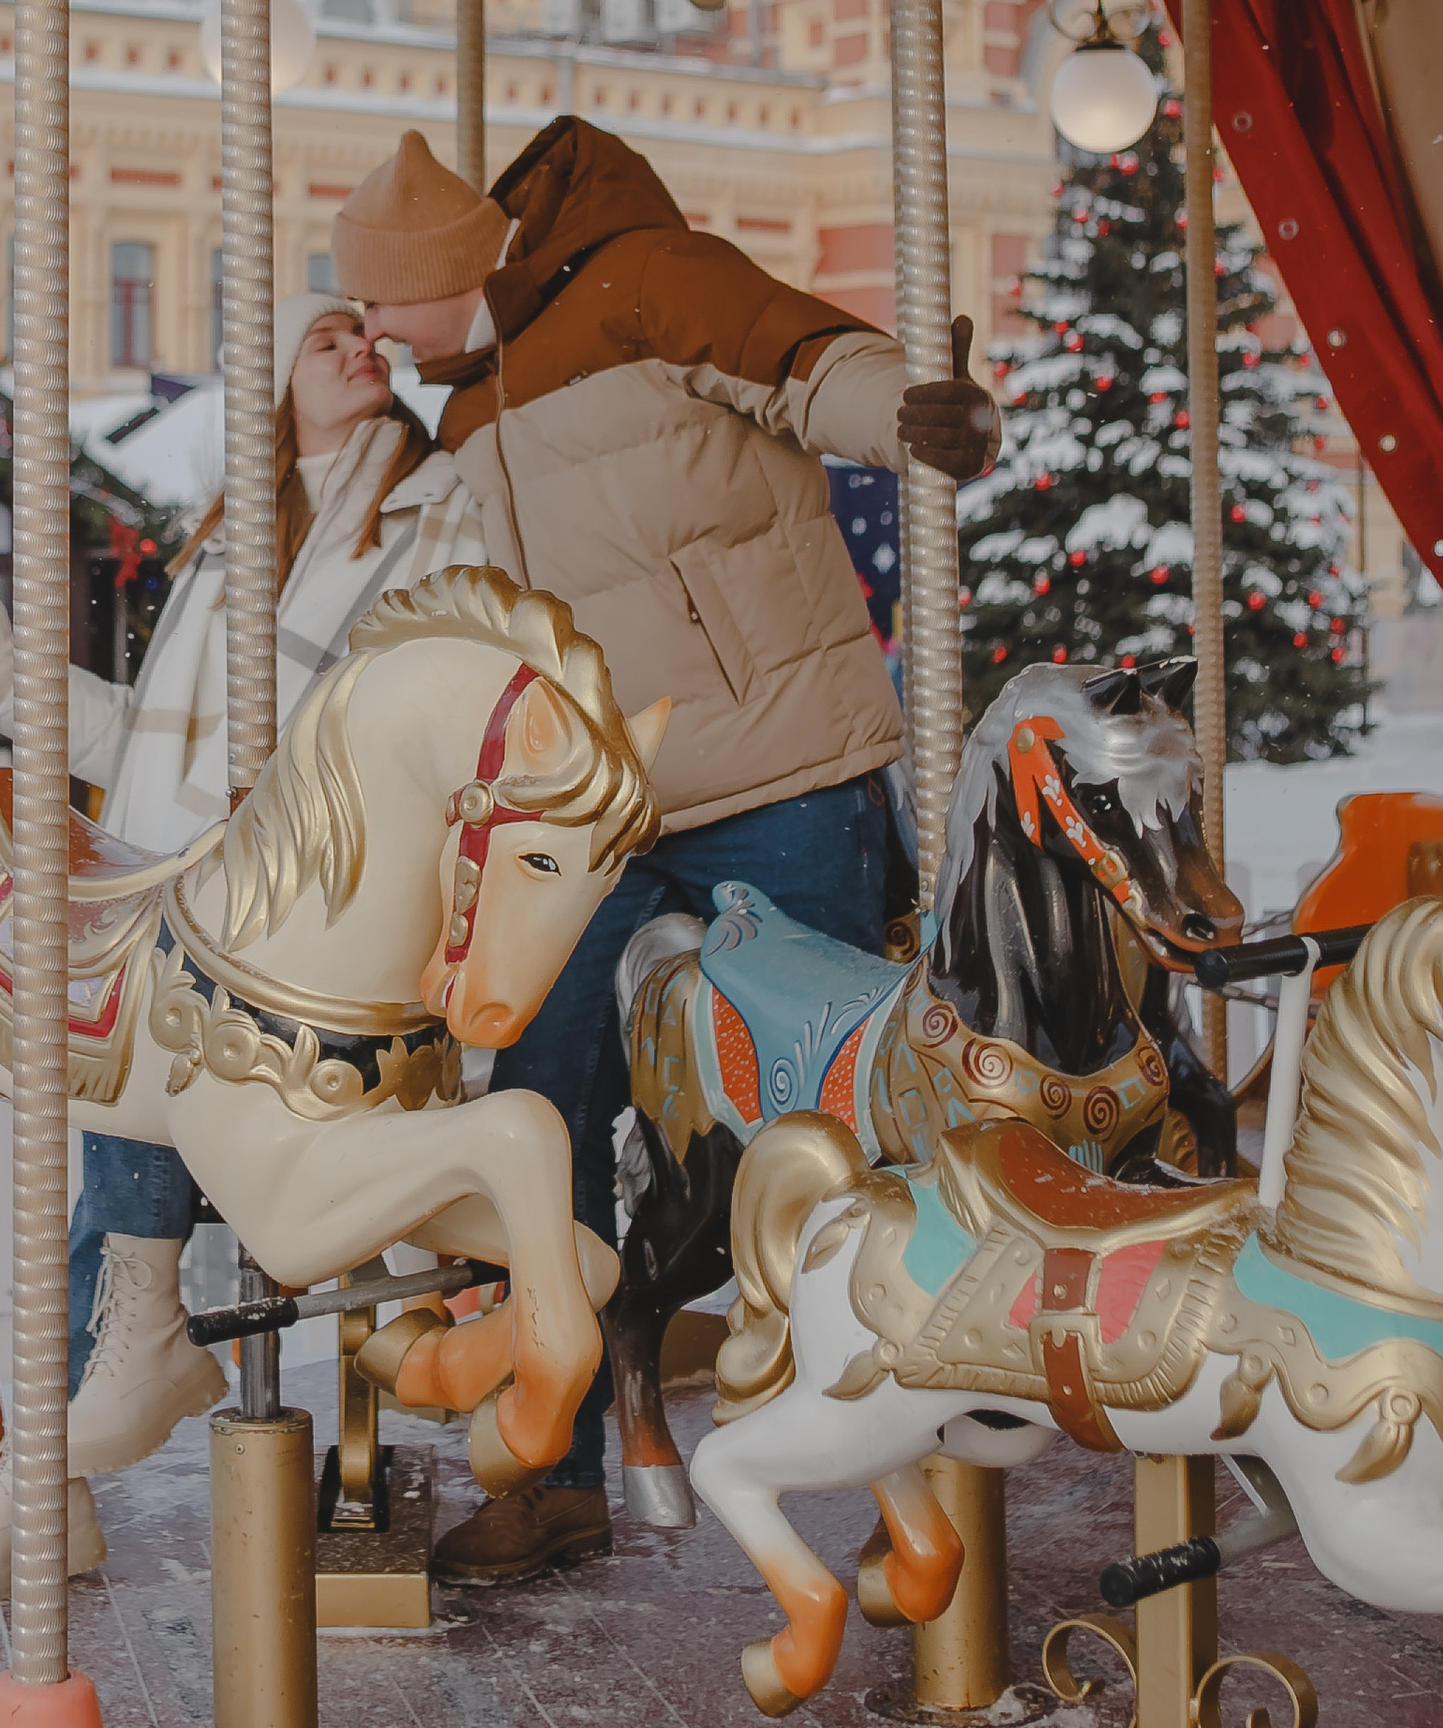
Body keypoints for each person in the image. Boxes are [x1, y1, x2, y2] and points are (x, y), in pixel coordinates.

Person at [335, 119, 1000, 1582]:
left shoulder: (643, 279)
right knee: (541, 1119)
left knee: (832, 1120)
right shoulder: (463, 409)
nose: (365, 328)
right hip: (610, 812)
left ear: (443, 273)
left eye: (378, 300)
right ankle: (552, 1465)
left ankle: (926, 1450)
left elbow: (803, 356)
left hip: (783, 768)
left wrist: (916, 414)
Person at [0, 294, 483, 1592]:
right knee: (116, 1094)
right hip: (188, 894)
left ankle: (80, 1432)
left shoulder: (429, 503)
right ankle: (63, 1470)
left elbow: (438, 687)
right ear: (273, 376)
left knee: (141, 1059)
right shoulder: (237, 536)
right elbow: (144, 754)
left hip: (310, 916)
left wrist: (306, 788)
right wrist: (6, 658)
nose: (359, 350)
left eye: (365, 336)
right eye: (324, 336)